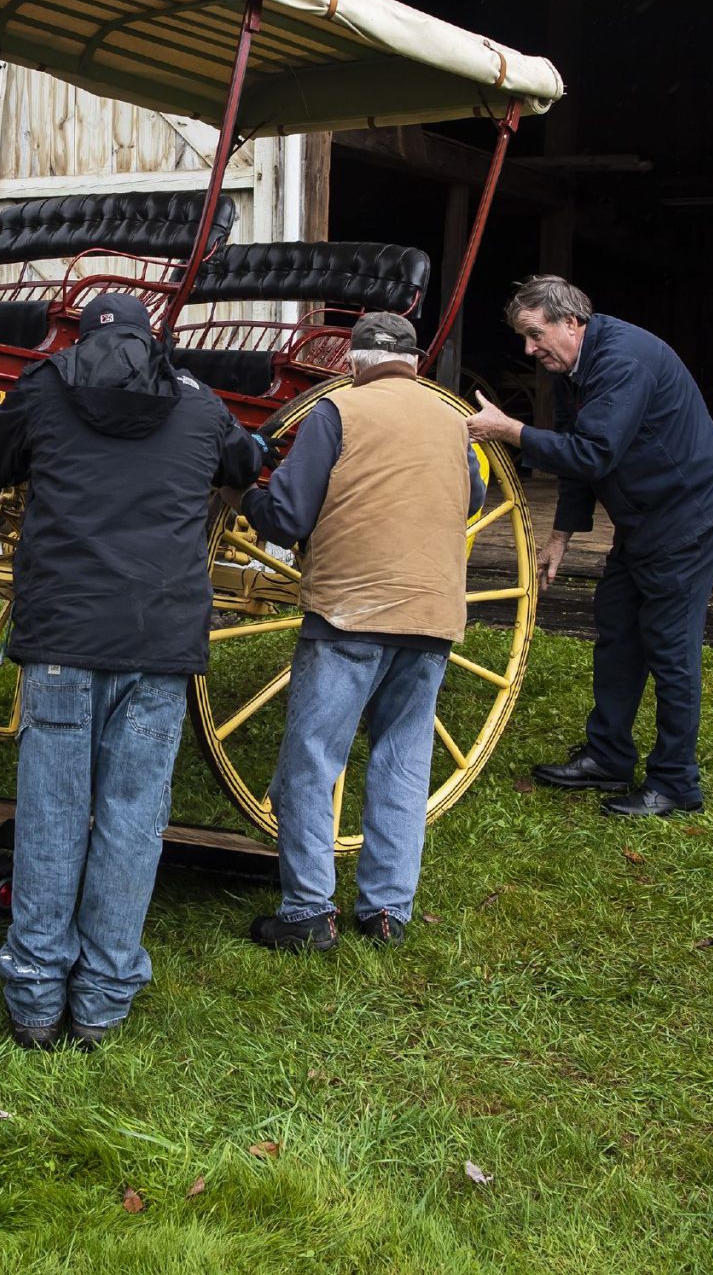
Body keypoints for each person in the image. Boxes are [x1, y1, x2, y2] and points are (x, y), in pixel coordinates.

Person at [0, 291, 264, 1048]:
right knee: (133, 820)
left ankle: (35, 999)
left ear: (79, 336)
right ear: (151, 340)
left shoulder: (45, 386)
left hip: (63, 635)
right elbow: (248, 461)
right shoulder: (198, 403)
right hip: (159, 640)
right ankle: (101, 1001)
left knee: (50, 816)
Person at [239, 312, 482, 950]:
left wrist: (244, 491)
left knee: (312, 762)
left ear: (350, 362)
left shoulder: (336, 412)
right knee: (403, 760)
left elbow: (287, 518)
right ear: (414, 364)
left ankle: (308, 913)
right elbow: (474, 499)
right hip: (432, 617)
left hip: (350, 611)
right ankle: (385, 913)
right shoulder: (454, 422)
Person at [464, 274, 713, 817]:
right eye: (523, 337)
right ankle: (609, 757)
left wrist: (510, 431)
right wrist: (561, 536)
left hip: (689, 512)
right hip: (645, 515)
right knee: (617, 624)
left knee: (668, 644)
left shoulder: (623, 362)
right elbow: (576, 454)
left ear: (571, 321)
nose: (528, 348)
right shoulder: (573, 365)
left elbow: (593, 453)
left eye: (534, 333)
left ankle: (676, 783)